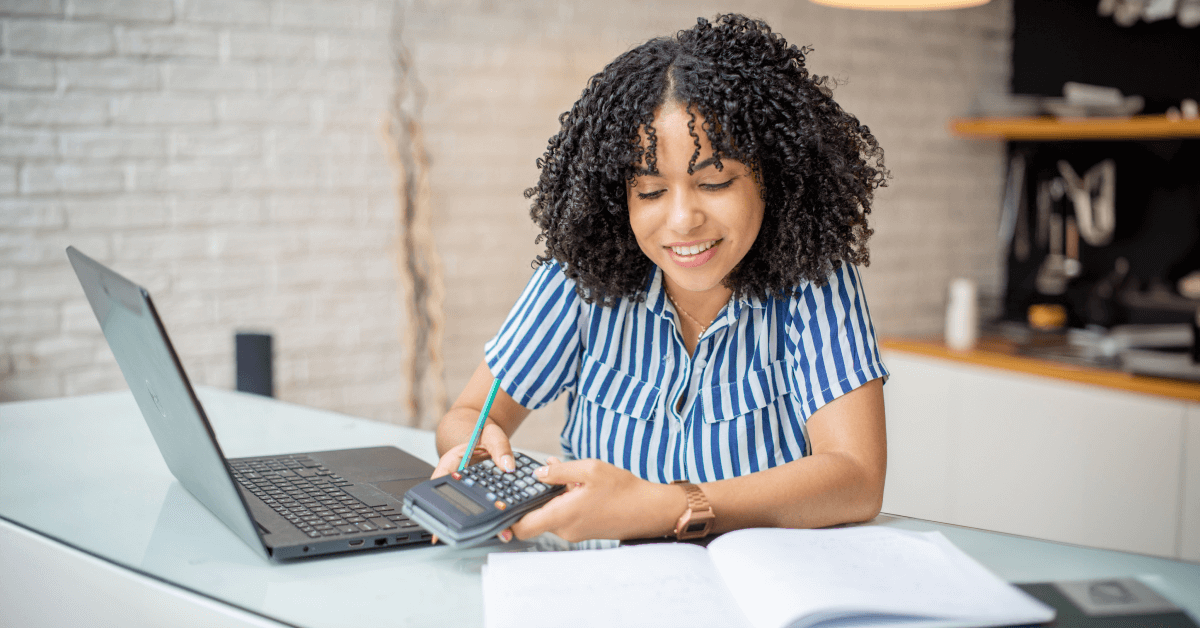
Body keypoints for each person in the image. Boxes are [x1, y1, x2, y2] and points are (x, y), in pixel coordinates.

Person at [431, 13, 890, 544]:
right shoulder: (583, 278)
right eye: (650, 191)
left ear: (775, 179)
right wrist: (477, 446)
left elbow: (857, 478)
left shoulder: (814, 282)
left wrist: (668, 506)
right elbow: (467, 413)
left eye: (714, 181)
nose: (682, 220)